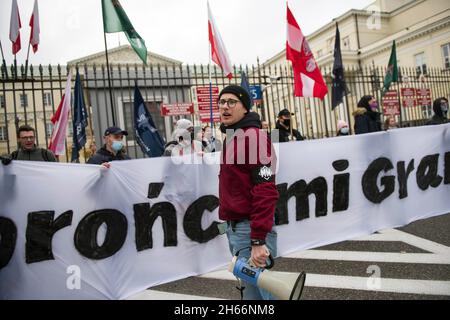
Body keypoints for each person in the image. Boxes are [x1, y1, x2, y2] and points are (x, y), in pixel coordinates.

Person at [218, 85, 279, 300]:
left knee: (260, 297)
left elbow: (265, 189)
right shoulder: (233, 136)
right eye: (222, 102)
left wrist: (258, 240)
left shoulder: (253, 138)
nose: (225, 106)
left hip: (250, 230)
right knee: (254, 295)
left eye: (231, 101)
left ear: (245, 108)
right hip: (238, 230)